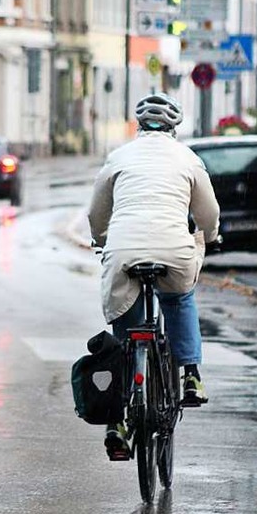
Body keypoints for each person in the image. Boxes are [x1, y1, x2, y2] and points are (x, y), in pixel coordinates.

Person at [88, 93, 221, 458]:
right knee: (180, 297)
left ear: (139, 126)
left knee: (124, 328)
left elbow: (97, 210)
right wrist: (210, 236)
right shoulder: (188, 158)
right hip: (174, 249)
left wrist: (101, 240)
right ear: (174, 127)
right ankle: (191, 375)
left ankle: (117, 420)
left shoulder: (119, 157)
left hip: (124, 250)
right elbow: (208, 212)